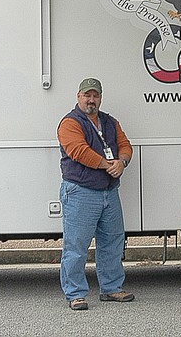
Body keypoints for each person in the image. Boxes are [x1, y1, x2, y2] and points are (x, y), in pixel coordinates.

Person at [57, 78, 134, 311]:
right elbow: (78, 151)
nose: (92, 100)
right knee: (76, 246)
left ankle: (111, 288)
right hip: (81, 192)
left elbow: (125, 145)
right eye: (87, 95)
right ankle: (75, 294)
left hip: (109, 193)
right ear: (78, 96)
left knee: (112, 243)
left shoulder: (110, 122)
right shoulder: (69, 123)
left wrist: (122, 162)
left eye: (96, 95)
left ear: (100, 97)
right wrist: (107, 165)